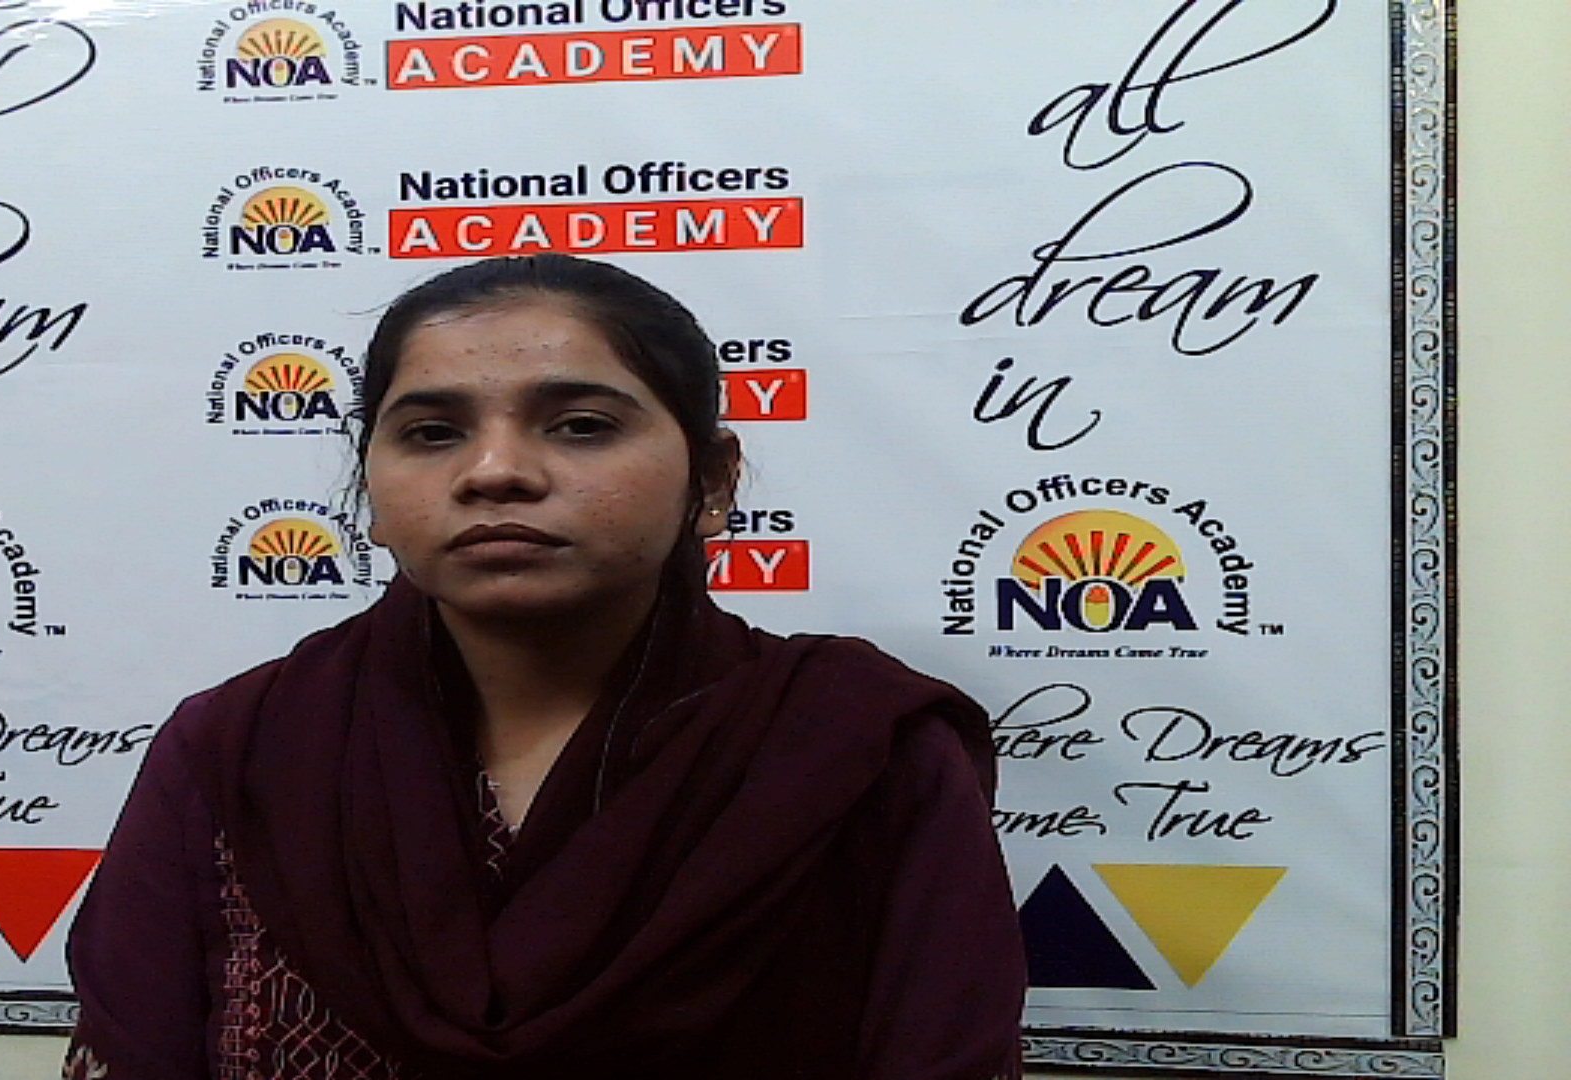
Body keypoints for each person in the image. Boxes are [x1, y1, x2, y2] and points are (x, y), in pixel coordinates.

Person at [64, 254, 1026, 1079]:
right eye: (432, 433)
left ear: (713, 481)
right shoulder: (243, 750)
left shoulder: (855, 752)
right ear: (370, 494)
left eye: (581, 426)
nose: (495, 472)